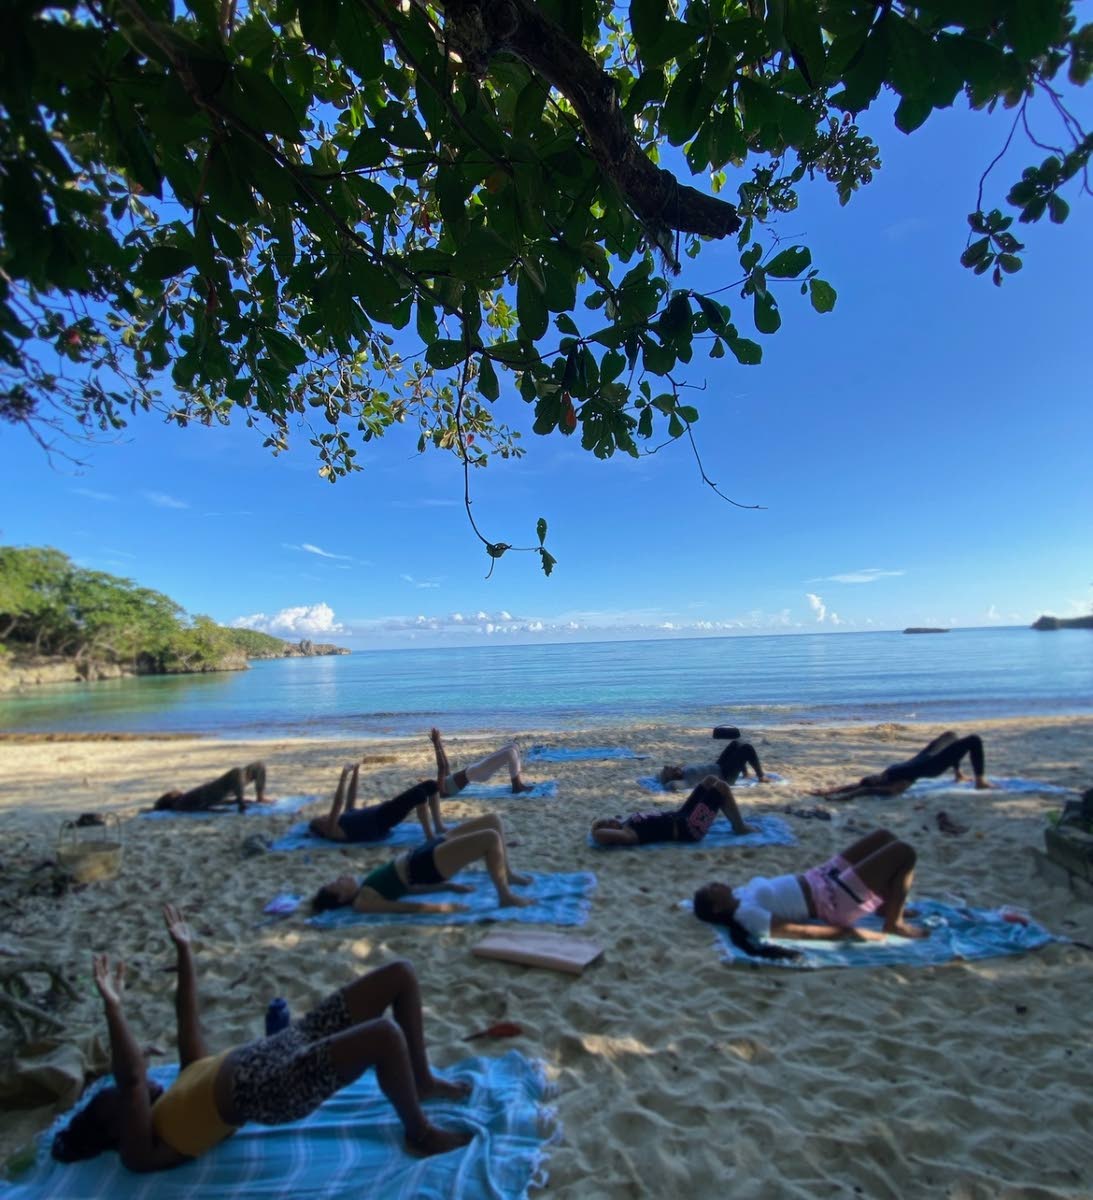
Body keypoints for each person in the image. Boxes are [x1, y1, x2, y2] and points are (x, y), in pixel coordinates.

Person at [50, 905, 472, 1172]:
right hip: (274, 1087)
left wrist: (184, 951)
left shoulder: (181, 1082)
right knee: (384, 1036)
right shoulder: (144, 1150)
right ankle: (419, 1132)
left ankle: (422, 1081)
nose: (150, 1089)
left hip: (293, 1041)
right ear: (123, 1126)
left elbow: (187, 1020)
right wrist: (113, 1009)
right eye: (130, 1105)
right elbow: (131, 1081)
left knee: (400, 974)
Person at [692, 828, 927, 961]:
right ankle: (893, 923)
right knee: (904, 852)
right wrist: (852, 933)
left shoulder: (740, 895)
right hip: (834, 899)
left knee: (885, 837)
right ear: (717, 908)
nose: (715, 883)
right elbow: (799, 931)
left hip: (821, 876)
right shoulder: (747, 915)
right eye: (712, 888)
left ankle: (886, 906)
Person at [312, 814, 533, 914]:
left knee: (493, 820)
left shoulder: (366, 886)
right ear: (341, 898)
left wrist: (448, 887)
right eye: (337, 884)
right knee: (490, 838)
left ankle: (508, 873)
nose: (340, 878)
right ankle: (504, 896)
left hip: (422, 854)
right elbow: (403, 907)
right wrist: (441, 907)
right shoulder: (363, 902)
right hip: (426, 866)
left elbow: (406, 890)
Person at [811, 731, 993, 801]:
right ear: (878, 784)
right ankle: (980, 781)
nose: (876, 776)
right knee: (974, 740)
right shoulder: (896, 782)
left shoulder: (887, 774)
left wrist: (829, 791)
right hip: (932, 767)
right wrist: (843, 798)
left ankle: (958, 773)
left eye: (874, 777)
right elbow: (863, 790)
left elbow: (857, 785)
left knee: (951, 736)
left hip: (926, 757)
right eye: (875, 780)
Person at [591, 776, 757, 846]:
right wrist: (597, 827)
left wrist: (614, 821)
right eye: (606, 824)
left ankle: (737, 822)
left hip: (681, 814)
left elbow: (614, 820)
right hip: (689, 829)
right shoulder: (629, 834)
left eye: (607, 819)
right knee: (721, 787)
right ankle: (739, 827)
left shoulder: (626, 822)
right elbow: (598, 835)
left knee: (710, 780)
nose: (610, 821)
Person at [428, 728, 533, 833]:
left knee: (513, 746)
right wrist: (436, 744)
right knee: (510, 753)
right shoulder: (441, 792)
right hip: (478, 773)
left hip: (475, 769)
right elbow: (441, 767)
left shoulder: (445, 782)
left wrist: (438, 742)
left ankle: (518, 783)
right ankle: (516, 786)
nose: (432, 781)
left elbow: (445, 765)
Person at [308, 763, 438, 843]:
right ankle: (429, 836)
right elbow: (337, 804)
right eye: (320, 820)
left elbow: (351, 796)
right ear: (321, 830)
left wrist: (356, 772)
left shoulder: (344, 817)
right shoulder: (332, 831)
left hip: (385, 810)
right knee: (419, 795)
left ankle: (438, 826)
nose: (324, 817)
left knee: (431, 785)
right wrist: (343, 776)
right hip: (381, 819)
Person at [154, 762, 268, 812]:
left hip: (223, 788)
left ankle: (260, 797)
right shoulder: (179, 803)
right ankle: (241, 803)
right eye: (170, 794)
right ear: (169, 800)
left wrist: (228, 803)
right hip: (217, 790)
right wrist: (218, 811)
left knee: (259, 765)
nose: (174, 791)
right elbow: (200, 807)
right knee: (237, 771)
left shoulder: (183, 799)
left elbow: (218, 803)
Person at [659, 739, 768, 789]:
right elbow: (671, 785)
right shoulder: (686, 781)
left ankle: (745, 773)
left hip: (718, 766)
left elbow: (659, 776)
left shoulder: (684, 770)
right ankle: (761, 777)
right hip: (725, 776)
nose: (674, 767)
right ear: (673, 777)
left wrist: (666, 772)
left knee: (736, 743)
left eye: (672, 767)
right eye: (672, 770)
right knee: (747, 748)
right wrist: (666, 780)